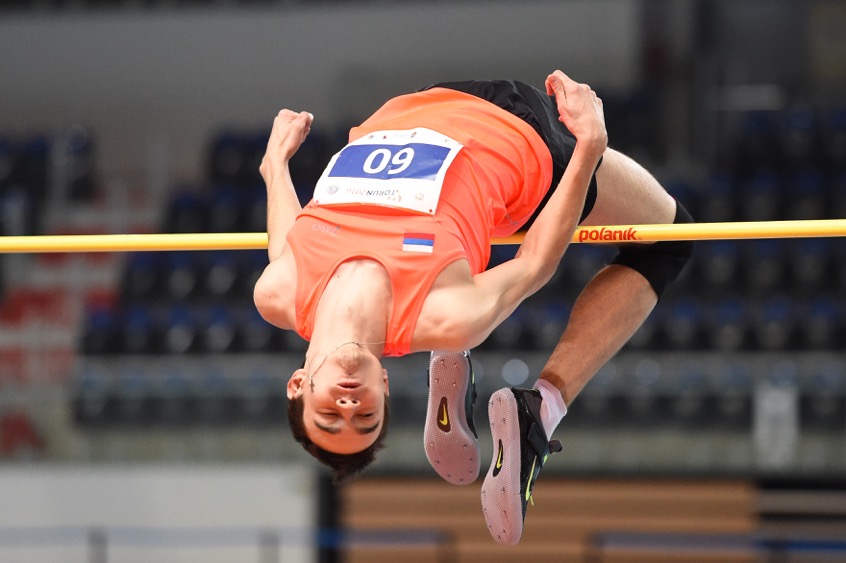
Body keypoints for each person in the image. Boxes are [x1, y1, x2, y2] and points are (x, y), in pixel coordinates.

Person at [254, 71, 694, 544]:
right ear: (383, 386)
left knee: (461, 249)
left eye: (328, 415)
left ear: (297, 384)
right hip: (519, 132)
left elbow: (286, 240)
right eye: (366, 418)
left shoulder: (278, 292)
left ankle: (450, 360)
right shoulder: (447, 315)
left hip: (412, 107)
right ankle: (539, 411)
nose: (348, 405)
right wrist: (589, 147)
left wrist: (275, 164)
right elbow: (533, 263)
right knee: (670, 241)